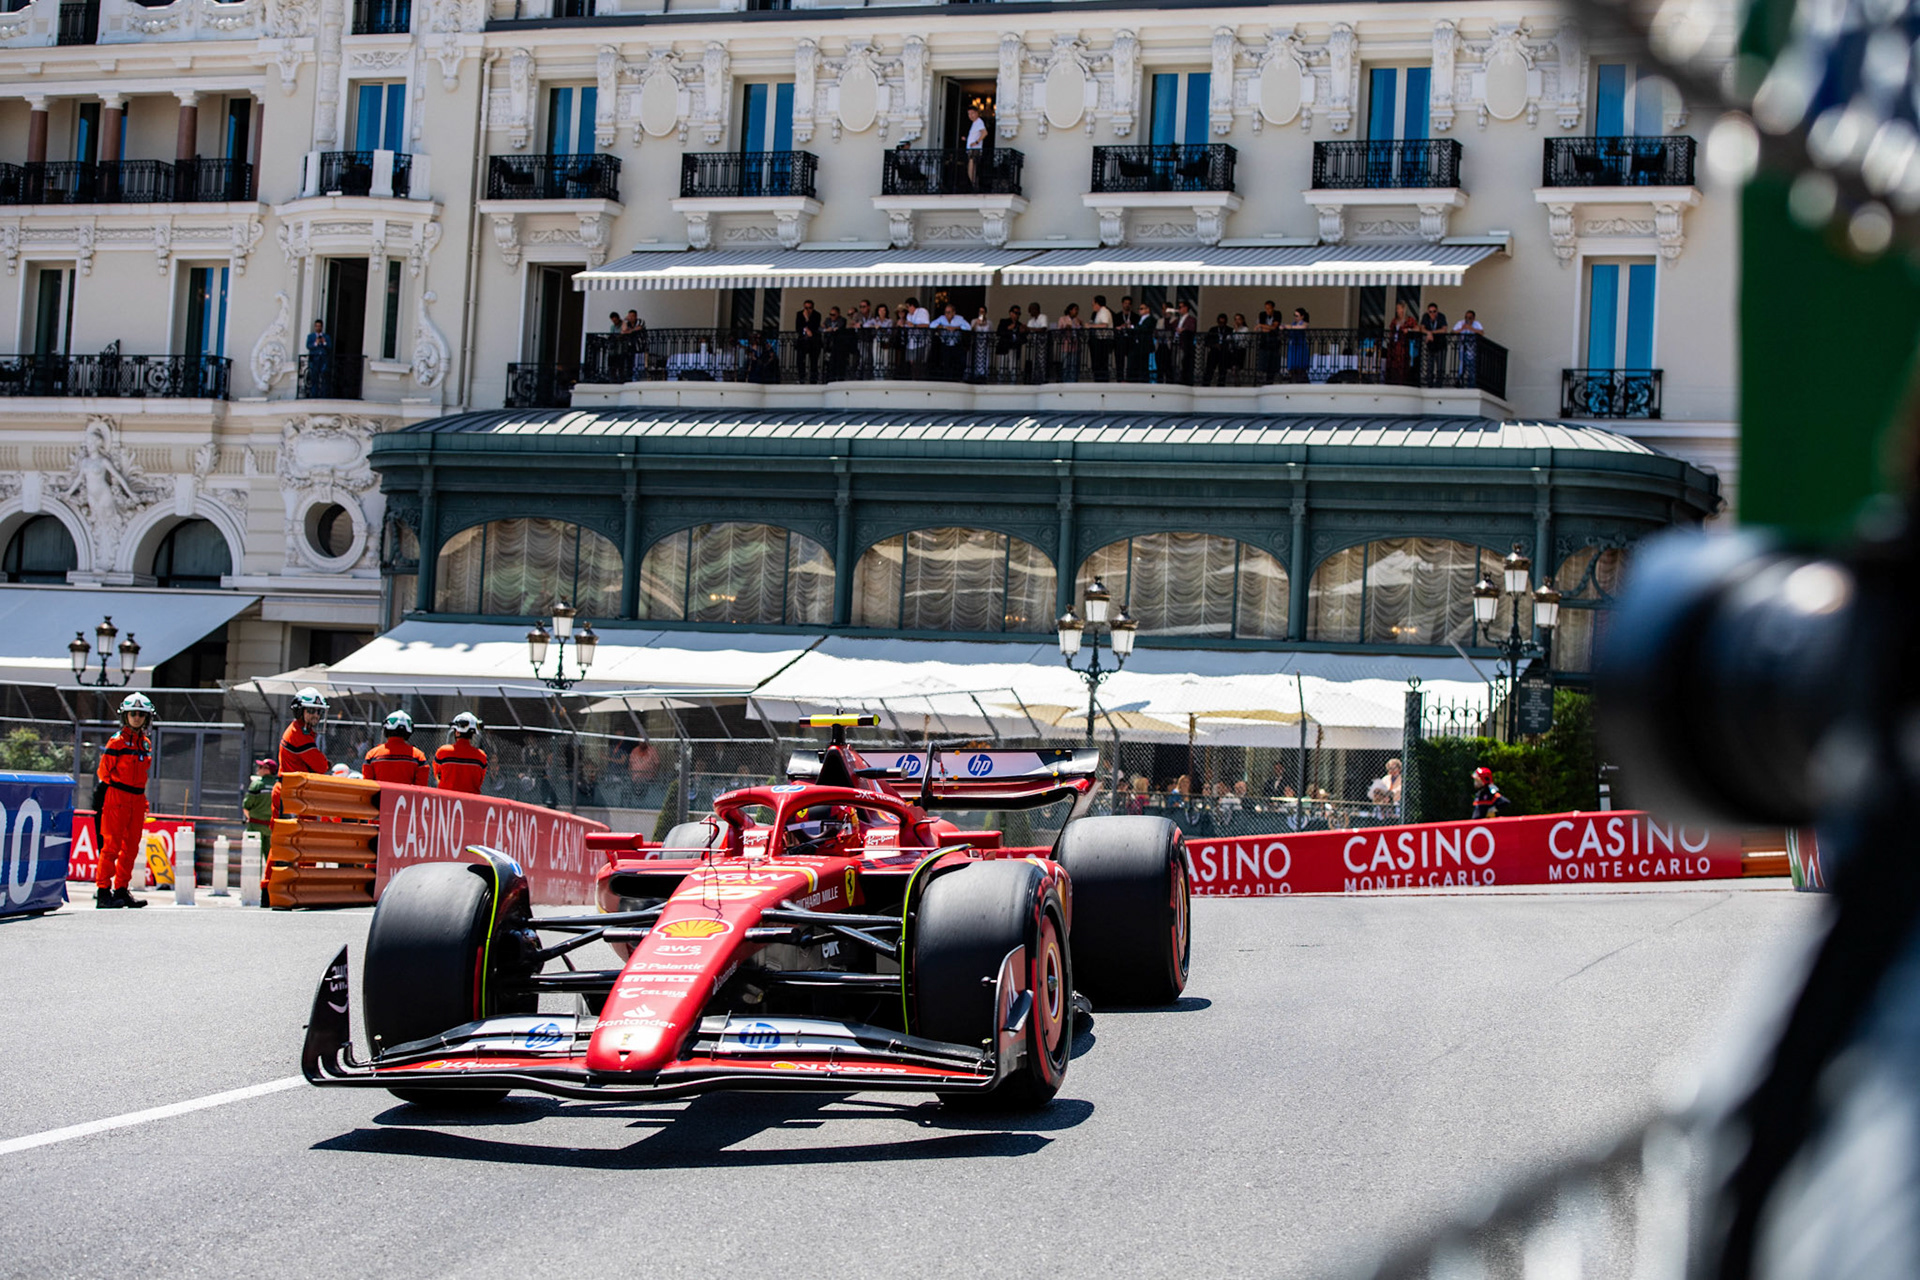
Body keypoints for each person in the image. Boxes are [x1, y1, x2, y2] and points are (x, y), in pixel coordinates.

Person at [93, 691, 154, 909]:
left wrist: (142, 802)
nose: (136, 717)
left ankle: (121, 890)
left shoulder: (145, 744)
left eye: (141, 714)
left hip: (137, 799)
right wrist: (120, 791)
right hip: (117, 797)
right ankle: (103, 892)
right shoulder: (116, 742)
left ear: (147, 718)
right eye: (132, 713)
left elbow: (143, 776)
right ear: (125, 716)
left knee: (131, 848)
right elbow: (104, 773)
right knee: (111, 846)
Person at [363, 710, 434, 785]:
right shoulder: (418, 756)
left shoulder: (372, 755)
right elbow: (421, 788)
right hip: (407, 796)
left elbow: (367, 787)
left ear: (386, 730)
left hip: (379, 796)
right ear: (409, 732)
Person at [279, 686, 330, 776]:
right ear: (299, 711)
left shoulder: (298, 729)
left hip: (293, 786)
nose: (316, 715)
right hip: (291, 788)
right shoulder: (299, 735)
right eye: (311, 710)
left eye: (319, 711)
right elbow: (322, 767)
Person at [435, 712, 489, 794]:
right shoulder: (481, 756)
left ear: (457, 732)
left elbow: (438, 775)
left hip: (445, 801)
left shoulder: (443, 752)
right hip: (472, 802)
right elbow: (480, 781)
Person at [242, 757, 276, 868]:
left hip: (255, 826)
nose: (258, 768)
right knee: (271, 858)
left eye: (261, 767)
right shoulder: (278, 786)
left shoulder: (257, 785)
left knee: (252, 858)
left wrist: (249, 818)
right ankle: (269, 882)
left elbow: (246, 806)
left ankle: (254, 883)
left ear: (267, 769)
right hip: (272, 828)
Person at [794, 299, 824, 383]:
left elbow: (815, 326)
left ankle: (813, 380)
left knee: (814, 362)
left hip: (814, 342)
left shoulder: (817, 315)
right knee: (800, 360)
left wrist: (807, 319)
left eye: (809, 308)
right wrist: (805, 329)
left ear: (813, 308)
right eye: (806, 308)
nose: (807, 310)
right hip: (803, 341)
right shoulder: (799, 314)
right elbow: (798, 327)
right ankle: (801, 378)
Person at [1088, 294, 1114, 380]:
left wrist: (1091, 326)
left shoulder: (1104, 311)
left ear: (1097, 303)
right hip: (1099, 341)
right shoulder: (1099, 312)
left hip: (1103, 341)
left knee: (1101, 363)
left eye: (1093, 304)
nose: (1092, 306)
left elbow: (1104, 325)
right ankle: (1099, 378)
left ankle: (1101, 379)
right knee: (1098, 363)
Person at [303, 319, 331, 397]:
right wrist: (316, 343)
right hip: (314, 359)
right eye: (316, 326)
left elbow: (329, 347)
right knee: (314, 377)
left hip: (323, 359)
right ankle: (314, 394)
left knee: (323, 377)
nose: (318, 328)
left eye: (319, 326)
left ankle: (323, 394)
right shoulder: (310, 336)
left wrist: (324, 342)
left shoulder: (326, 336)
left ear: (322, 327)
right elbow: (308, 346)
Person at [1056, 303, 1083, 381]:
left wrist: (1081, 325)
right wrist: (1065, 328)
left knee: (1073, 365)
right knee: (1065, 365)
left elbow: (1081, 332)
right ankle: (1065, 380)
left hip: (1075, 346)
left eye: (1077, 310)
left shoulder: (1077, 320)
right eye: (1075, 309)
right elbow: (1058, 331)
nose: (1077, 311)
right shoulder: (1063, 319)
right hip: (1066, 345)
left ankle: (1072, 381)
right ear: (1070, 310)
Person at [1173, 300, 1198, 385]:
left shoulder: (1191, 319)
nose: (1179, 309)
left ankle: (1182, 379)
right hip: (1176, 343)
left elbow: (1190, 328)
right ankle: (1176, 378)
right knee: (1176, 362)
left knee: (1182, 362)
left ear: (1186, 308)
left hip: (1184, 345)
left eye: (1180, 307)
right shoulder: (1178, 320)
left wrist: (1182, 330)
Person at [822, 305, 849, 381]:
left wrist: (831, 329)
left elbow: (840, 328)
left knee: (838, 362)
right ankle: (828, 377)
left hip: (839, 345)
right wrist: (826, 330)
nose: (832, 316)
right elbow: (822, 327)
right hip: (829, 343)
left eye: (833, 315)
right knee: (828, 361)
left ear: (838, 314)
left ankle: (839, 377)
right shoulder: (827, 320)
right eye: (830, 314)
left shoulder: (842, 320)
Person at [965, 104, 988, 190]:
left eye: (972, 113)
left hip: (975, 150)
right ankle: (974, 185)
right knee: (971, 169)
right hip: (971, 149)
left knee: (971, 169)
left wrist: (976, 142)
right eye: (969, 114)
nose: (970, 116)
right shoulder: (975, 123)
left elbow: (985, 133)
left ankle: (975, 186)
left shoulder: (979, 122)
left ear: (977, 113)